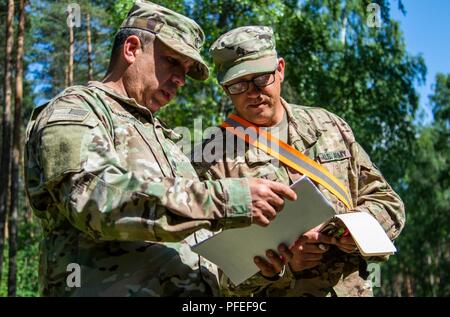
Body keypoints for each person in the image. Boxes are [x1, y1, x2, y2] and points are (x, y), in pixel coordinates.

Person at [24, 3, 296, 297]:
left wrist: (256, 265)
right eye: (172, 61)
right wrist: (232, 199)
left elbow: (199, 259)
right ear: (131, 48)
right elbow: (94, 199)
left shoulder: (168, 143)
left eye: (187, 70)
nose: (180, 79)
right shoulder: (76, 110)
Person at [192, 26, 405, 297]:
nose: (252, 92)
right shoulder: (209, 159)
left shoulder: (330, 127)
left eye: (261, 79)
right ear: (225, 88)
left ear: (280, 69)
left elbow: (389, 203)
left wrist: (355, 231)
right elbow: (207, 274)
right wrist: (281, 265)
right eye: (238, 85)